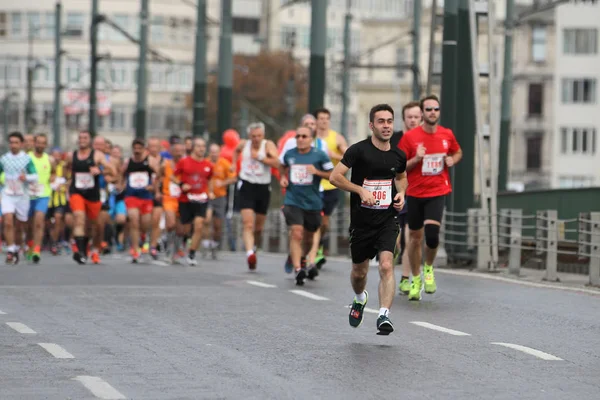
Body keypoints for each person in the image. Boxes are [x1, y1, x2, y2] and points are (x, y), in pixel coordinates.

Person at [329, 104, 407, 335]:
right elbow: (335, 177)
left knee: (386, 265)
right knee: (359, 272)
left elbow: (402, 178)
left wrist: (401, 193)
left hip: (387, 219)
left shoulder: (398, 155)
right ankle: (360, 298)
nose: (386, 126)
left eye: (389, 121)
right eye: (381, 121)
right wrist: (359, 190)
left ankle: (384, 315)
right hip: (362, 223)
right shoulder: (358, 151)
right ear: (372, 125)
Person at [399, 94, 462, 301]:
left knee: (432, 235)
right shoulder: (410, 137)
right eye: (428, 110)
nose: (432, 113)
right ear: (423, 113)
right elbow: (399, 167)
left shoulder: (447, 134)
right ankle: (415, 278)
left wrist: (453, 159)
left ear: (439, 112)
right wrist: (416, 158)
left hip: (438, 190)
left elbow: (458, 151)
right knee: (415, 239)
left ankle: (428, 268)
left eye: (436, 109)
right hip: (415, 193)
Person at [280, 126, 333, 285]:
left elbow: (333, 174)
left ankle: (302, 259)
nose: (300, 139)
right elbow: (281, 165)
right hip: (293, 200)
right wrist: (283, 177)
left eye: (304, 136)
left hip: (313, 202)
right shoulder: (290, 154)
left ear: (311, 139)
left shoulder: (320, 155)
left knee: (309, 239)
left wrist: (317, 172)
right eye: (298, 136)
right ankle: (298, 269)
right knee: (296, 233)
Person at [232, 122, 279, 270]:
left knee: (258, 228)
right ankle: (249, 253)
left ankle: (254, 247)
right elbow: (235, 151)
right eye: (253, 136)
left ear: (263, 135)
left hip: (263, 187)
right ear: (249, 136)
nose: (256, 139)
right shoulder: (243, 144)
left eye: (259, 135)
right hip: (246, 185)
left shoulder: (268, 145)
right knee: (248, 223)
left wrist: (260, 158)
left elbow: (277, 162)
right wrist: (234, 164)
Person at [389, 101, 423, 294]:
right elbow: (393, 168)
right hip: (395, 193)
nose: (413, 120)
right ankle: (389, 273)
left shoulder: (427, 139)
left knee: (411, 237)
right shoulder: (394, 140)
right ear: (404, 119)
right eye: (409, 117)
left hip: (417, 194)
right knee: (396, 240)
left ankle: (405, 278)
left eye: (417, 117)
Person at [67, 131, 116, 265]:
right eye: (80, 138)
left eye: (85, 138)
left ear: (89, 141)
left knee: (95, 226)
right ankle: (81, 253)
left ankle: (94, 248)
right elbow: (66, 169)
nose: (82, 140)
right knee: (79, 218)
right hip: (77, 192)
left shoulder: (98, 155)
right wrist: (64, 180)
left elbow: (112, 170)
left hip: (93, 195)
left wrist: (100, 170)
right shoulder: (72, 155)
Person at [309, 108, 348, 269]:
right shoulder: (310, 139)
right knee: (315, 220)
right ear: (316, 121)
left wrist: (334, 154)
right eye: (321, 118)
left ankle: (319, 245)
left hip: (331, 184)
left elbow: (349, 157)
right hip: (313, 185)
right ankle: (314, 251)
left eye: (326, 118)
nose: (324, 121)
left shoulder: (336, 137)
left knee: (324, 222)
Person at [173, 138, 214, 265]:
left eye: (203, 146)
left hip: (201, 198)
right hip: (186, 199)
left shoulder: (208, 165)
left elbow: (210, 179)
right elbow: (173, 176)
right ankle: (183, 242)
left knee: (199, 225)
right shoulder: (184, 162)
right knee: (186, 228)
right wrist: (181, 184)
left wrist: (211, 192)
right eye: (198, 146)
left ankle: (192, 253)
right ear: (193, 148)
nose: (201, 149)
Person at [0, 132, 38, 264]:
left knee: (20, 226)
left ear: (21, 144)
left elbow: (35, 176)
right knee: (8, 221)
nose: (13, 145)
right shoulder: (4, 159)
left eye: (16, 142)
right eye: (11, 142)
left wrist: (26, 177)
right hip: (8, 194)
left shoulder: (26, 159)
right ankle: (10, 249)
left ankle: (16, 247)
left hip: (22, 196)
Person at [123, 139, 160, 263]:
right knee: (133, 220)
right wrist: (120, 184)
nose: (137, 151)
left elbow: (159, 174)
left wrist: (153, 187)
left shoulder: (150, 161)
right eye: (135, 148)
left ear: (144, 149)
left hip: (146, 197)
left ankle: (143, 236)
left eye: (140, 148)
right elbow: (120, 174)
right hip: (131, 196)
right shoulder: (128, 162)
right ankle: (135, 249)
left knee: (145, 223)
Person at [203, 143, 237, 259]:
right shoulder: (205, 162)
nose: (214, 154)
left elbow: (233, 178)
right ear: (209, 152)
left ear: (219, 152)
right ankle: (206, 242)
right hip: (206, 196)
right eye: (212, 151)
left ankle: (214, 245)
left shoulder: (224, 163)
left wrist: (223, 183)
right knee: (206, 219)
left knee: (218, 225)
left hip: (220, 197)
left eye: (216, 151)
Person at [26, 133, 55, 263]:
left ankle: (37, 249)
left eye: (43, 143)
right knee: (28, 224)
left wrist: (53, 178)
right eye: (38, 142)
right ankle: (30, 244)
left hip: (43, 194)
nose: (40, 145)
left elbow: (53, 172)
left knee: (39, 221)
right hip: (28, 194)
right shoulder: (27, 158)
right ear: (34, 143)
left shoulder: (50, 159)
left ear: (46, 145)